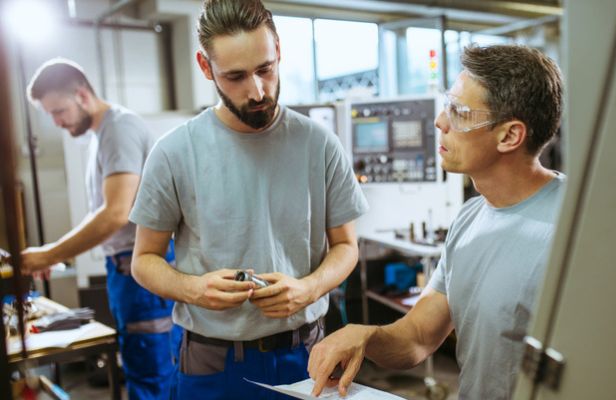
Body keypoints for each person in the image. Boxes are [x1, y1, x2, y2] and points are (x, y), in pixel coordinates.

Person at [128, 0, 369, 398]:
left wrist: (308, 288)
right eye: (236, 76)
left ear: (279, 52)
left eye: (265, 69)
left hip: (305, 352)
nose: (257, 90)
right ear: (206, 69)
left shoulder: (319, 143)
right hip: (211, 362)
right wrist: (193, 289)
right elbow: (143, 261)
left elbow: (345, 246)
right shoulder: (174, 152)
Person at [308, 44, 567, 400]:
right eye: (448, 105)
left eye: (459, 112)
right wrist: (366, 337)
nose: (440, 122)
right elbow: (417, 337)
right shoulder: (469, 218)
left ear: (510, 135)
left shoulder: (572, 231)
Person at [22, 58, 181, 399]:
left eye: (58, 111)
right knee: (143, 370)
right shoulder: (101, 135)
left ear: (81, 95)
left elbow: (115, 214)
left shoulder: (118, 128)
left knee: (152, 376)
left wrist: (47, 254)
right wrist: (57, 256)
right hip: (125, 270)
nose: (56, 121)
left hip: (141, 270)